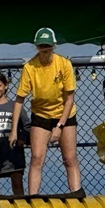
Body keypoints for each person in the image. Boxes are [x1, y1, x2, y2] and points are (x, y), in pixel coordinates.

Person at [10, 27, 81, 196]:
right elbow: (20, 99)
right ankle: (33, 197)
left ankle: (77, 194)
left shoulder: (64, 64)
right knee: (37, 157)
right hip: (41, 115)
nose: (45, 48)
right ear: (37, 47)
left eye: (48, 45)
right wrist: (13, 130)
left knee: (70, 158)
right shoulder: (30, 67)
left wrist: (59, 126)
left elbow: (69, 99)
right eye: (41, 45)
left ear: (54, 46)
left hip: (65, 113)